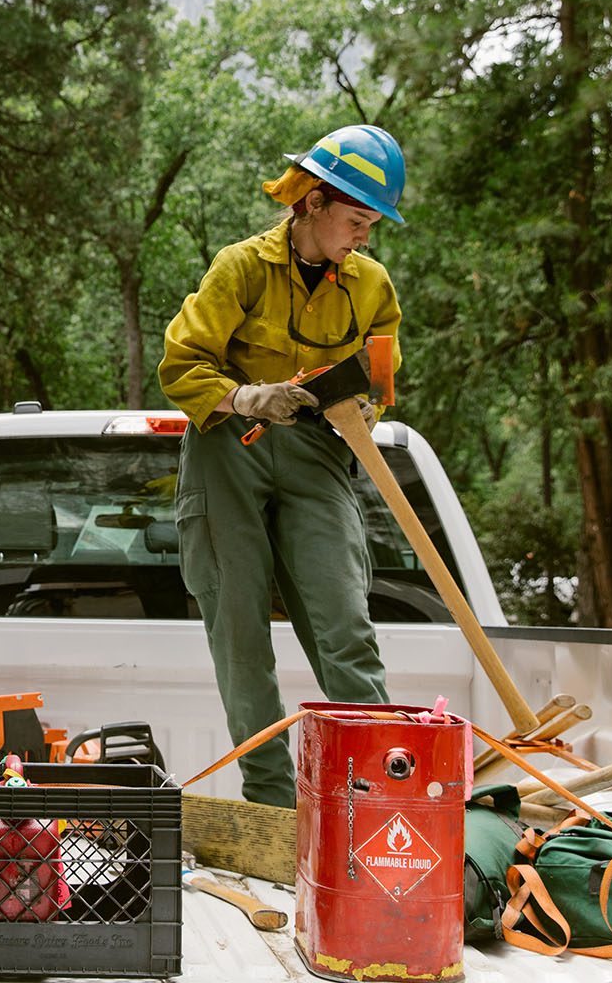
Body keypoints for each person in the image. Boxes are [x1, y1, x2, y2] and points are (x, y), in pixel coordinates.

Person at [158, 124, 407, 808]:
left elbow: (381, 378)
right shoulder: (239, 267)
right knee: (241, 635)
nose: (365, 236)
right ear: (313, 202)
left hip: (319, 451)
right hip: (228, 446)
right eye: (357, 220)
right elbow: (181, 365)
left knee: (345, 624)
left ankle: (381, 798)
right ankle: (270, 805)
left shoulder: (371, 286)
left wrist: (356, 409)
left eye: (373, 225)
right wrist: (245, 396)